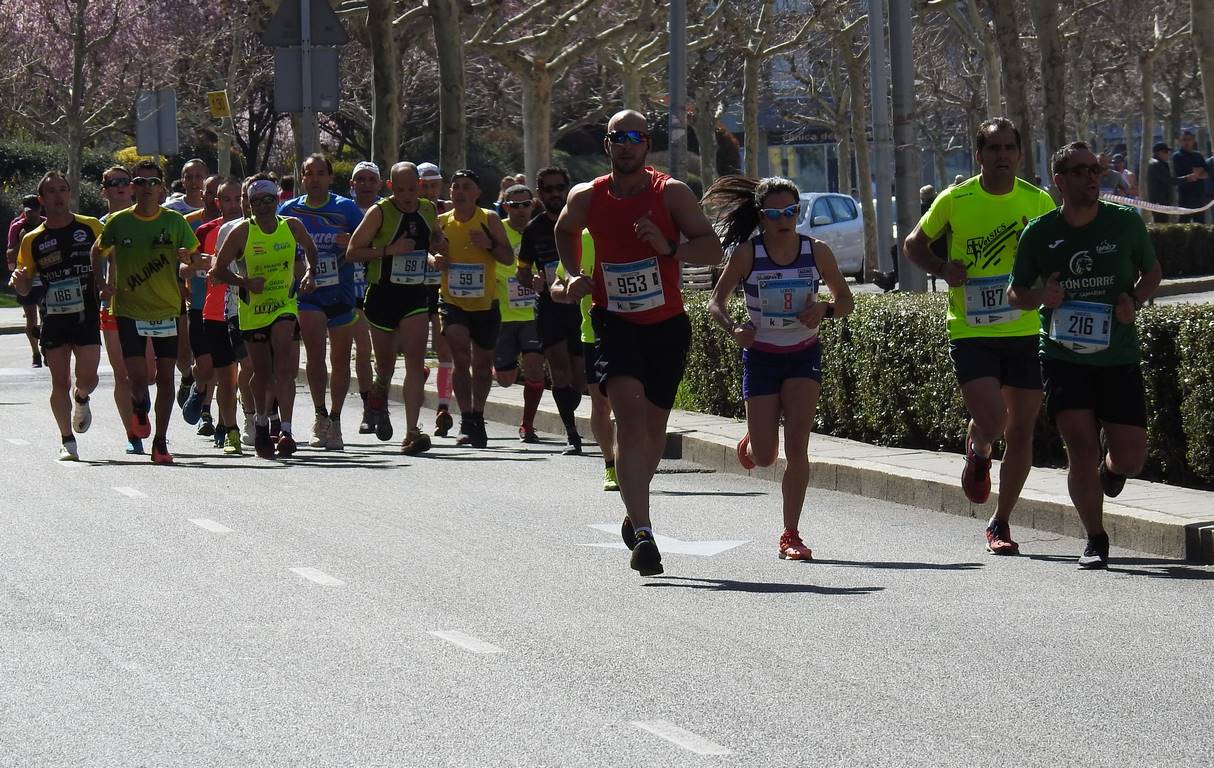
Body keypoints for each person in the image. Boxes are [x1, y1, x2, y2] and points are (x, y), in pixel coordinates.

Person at [556, 109, 724, 577]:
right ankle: (646, 534)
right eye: (617, 137)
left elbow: (712, 249)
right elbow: (563, 230)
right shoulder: (587, 197)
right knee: (629, 424)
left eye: (634, 137)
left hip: (667, 325)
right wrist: (574, 275)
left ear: (646, 145)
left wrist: (669, 248)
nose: (626, 145)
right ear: (606, 145)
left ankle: (633, 510)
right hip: (615, 323)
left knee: (652, 432)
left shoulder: (669, 193)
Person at [903, 117, 1056, 555]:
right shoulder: (956, 199)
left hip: (1025, 328)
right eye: (994, 149)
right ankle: (980, 447)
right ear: (979, 156)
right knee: (994, 421)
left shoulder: (1038, 200)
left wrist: (1047, 287)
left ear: (1020, 155)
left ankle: (1001, 522)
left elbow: (1053, 253)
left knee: (1023, 431)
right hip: (971, 329)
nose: (1003, 155)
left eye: (1010, 148)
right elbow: (915, 244)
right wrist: (940, 269)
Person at [1008, 141, 1162, 569]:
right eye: (1081, 171)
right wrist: (1043, 295)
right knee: (1080, 448)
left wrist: (1134, 298)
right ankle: (1095, 538)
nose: (1092, 176)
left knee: (1131, 459)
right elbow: (1016, 292)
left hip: (1117, 355)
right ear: (1059, 181)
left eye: (1095, 169)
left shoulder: (1125, 223)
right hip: (1063, 355)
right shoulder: (1039, 232)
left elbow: (1152, 273)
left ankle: (1112, 473)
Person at [705, 175, 854, 560]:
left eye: (790, 211)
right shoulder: (748, 255)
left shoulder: (816, 251)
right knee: (766, 456)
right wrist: (735, 328)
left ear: (798, 212)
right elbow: (715, 303)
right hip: (762, 357)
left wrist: (825, 309)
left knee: (797, 448)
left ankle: (791, 534)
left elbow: (846, 301)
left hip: (803, 354)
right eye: (774, 213)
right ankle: (754, 440)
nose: (783, 220)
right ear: (761, 216)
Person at [91, 159, 199, 465]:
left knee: (165, 377)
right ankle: (139, 407)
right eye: (140, 182)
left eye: (153, 182)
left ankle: (161, 441)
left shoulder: (175, 222)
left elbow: (193, 258)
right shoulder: (119, 222)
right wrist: (101, 283)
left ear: (163, 188)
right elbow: (97, 251)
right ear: (134, 188)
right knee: (137, 378)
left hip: (166, 307)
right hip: (129, 310)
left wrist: (187, 263)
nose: (147, 188)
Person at [212, 176, 317, 459]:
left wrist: (309, 273)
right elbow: (217, 272)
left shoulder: (291, 226)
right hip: (252, 310)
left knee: (284, 365)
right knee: (262, 372)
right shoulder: (242, 233)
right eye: (256, 202)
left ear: (277, 201)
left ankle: (286, 430)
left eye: (268, 200)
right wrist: (245, 283)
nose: (262, 207)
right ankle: (260, 422)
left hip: (284, 304)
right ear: (248, 204)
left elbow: (311, 249)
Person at [347, 161, 446, 455]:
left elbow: (432, 242)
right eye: (400, 189)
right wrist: (389, 250)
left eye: (412, 188)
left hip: (415, 295)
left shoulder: (428, 209)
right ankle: (379, 391)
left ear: (420, 184)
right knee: (386, 366)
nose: (406, 195)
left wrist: (435, 256)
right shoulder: (380, 212)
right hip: (382, 297)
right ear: (390, 187)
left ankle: (412, 431)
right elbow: (353, 252)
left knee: (415, 361)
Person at [10, 172, 103, 461]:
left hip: (86, 313)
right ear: (41, 200)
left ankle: (82, 398)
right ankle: (67, 440)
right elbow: (25, 285)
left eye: (63, 190)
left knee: (87, 377)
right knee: (59, 382)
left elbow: (113, 256)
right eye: (51, 191)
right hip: (54, 316)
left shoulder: (90, 226)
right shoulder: (33, 239)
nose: (58, 196)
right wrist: (19, 280)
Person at [278, 154, 364, 450]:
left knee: (340, 358)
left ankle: (337, 421)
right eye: (308, 173)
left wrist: (350, 239)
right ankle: (320, 416)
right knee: (315, 355)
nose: (314, 179)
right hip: (308, 292)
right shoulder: (290, 210)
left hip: (341, 291)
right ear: (302, 178)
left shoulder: (346, 209)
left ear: (330, 177)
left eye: (320, 173)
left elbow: (367, 241)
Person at [432, 169, 514, 448]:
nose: (460, 192)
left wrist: (488, 244)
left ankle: (478, 416)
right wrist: (435, 261)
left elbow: (507, 257)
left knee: (482, 365)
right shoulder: (441, 222)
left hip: (484, 303)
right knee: (460, 354)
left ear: (478, 193)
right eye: (455, 187)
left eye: (467, 187)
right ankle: (466, 418)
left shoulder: (489, 219)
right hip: (452, 300)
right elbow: (428, 251)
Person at [517, 167, 587, 454]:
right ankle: (572, 434)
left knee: (579, 379)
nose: (556, 194)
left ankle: (569, 411)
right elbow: (521, 270)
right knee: (560, 372)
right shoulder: (534, 229)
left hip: (581, 307)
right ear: (540, 193)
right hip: (550, 307)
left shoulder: (584, 223)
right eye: (549, 189)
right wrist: (531, 281)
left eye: (560, 187)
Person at [550, 230, 618, 490]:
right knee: (601, 405)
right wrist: (569, 287)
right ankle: (610, 465)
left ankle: (628, 461)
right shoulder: (582, 239)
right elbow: (556, 288)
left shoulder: (633, 231)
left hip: (634, 329)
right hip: (593, 334)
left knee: (628, 404)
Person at [185, 178, 247, 453]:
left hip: (247, 310)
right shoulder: (206, 230)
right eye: (228, 200)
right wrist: (197, 265)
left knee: (235, 376)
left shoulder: (254, 229)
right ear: (218, 203)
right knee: (219, 373)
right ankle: (200, 390)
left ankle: (228, 426)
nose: (234, 205)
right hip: (213, 310)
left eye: (238, 199)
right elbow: (186, 267)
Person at [96, 166, 155, 454]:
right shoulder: (98, 226)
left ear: (132, 187)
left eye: (124, 181)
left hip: (147, 304)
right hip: (113, 307)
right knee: (122, 375)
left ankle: (140, 400)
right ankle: (132, 434)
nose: (120, 186)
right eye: (113, 182)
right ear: (104, 189)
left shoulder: (146, 218)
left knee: (149, 373)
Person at [492, 184, 546, 442]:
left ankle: (527, 425)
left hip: (533, 314)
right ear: (505, 207)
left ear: (533, 204)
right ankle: (497, 368)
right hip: (502, 314)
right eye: (514, 205)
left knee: (535, 368)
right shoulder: (497, 230)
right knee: (504, 380)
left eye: (526, 204)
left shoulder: (542, 230)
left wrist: (544, 281)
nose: (521, 210)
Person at [418, 161, 456, 435]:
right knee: (416, 346)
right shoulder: (411, 210)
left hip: (443, 285)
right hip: (417, 285)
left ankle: (443, 405)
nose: (430, 190)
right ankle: (419, 373)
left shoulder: (450, 211)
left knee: (444, 347)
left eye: (434, 185)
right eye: (425, 186)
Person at [348, 160, 382, 434]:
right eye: (360, 179)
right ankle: (369, 407)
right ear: (352, 185)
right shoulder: (343, 210)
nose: (366, 184)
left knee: (384, 353)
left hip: (383, 286)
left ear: (380, 184)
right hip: (352, 289)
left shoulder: (387, 210)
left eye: (371, 179)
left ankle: (378, 400)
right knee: (363, 349)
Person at [6, 194, 46, 367]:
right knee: (31, 317)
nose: (31, 215)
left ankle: (46, 348)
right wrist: (22, 240)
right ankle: (35, 353)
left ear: (40, 209)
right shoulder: (17, 226)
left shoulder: (47, 222)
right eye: (28, 211)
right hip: (26, 276)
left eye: (35, 211)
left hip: (45, 276)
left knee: (46, 315)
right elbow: (10, 256)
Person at [1172, 131, 1211, 223]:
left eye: (1189, 140)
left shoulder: (1198, 156)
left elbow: (1207, 173)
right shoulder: (1177, 156)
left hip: (1199, 195)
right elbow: (1179, 174)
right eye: (1184, 140)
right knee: (1183, 224)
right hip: (1185, 196)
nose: (1186, 142)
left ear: (1193, 141)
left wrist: (1197, 173)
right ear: (1180, 141)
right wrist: (1196, 172)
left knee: (1200, 224)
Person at [1146, 142, 1179, 223]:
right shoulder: (1156, 164)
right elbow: (1169, 180)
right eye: (1166, 152)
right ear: (1160, 152)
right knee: (1161, 224)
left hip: (1160, 202)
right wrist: (1187, 178)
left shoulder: (1156, 163)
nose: (1168, 154)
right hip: (1160, 202)